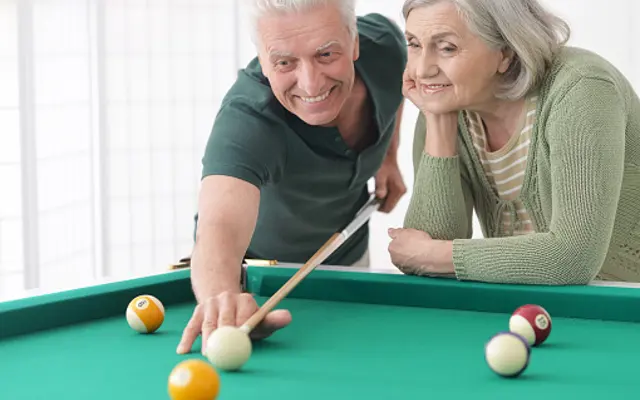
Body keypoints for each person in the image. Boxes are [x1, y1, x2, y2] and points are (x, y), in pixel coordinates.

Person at [177, 0, 408, 354]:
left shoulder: (387, 48)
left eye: (327, 54)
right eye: (285, 62)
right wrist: (222, 297)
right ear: (263, 60)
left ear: (355, 42)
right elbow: (216, 228)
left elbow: (395, 90)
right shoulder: (248, 119)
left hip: (350, 263)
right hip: (257, 284)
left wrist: (388, 158)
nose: (310, 82)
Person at [388, 0, 640, 285]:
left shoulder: (581, 89)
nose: (422, 70)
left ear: (505, 52)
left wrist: (433, 255)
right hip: (539, 310)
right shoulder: (448, 103)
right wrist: (438, 121)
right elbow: (427, 255)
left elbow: (572, 257)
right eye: (414, 44)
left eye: (447, 48)